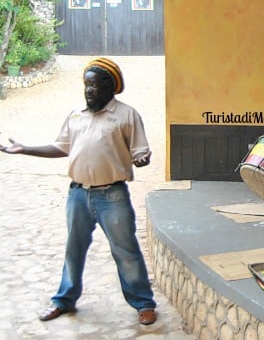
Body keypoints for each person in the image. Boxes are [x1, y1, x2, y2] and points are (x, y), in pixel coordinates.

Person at [0, 57, 158, 325]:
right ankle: (64, 300)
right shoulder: (76, 115)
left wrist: (143, 159)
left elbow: (140, 151)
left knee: (126, 251)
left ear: (109, 87)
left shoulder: (126, 115)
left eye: (94, 86)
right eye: (86, 86)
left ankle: (143, 303)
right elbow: (61, 147)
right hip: (77, 195)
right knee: (74, 249)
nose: (89, 91)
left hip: (113, 196)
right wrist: (25, 148)